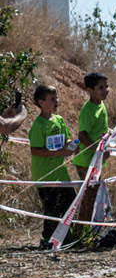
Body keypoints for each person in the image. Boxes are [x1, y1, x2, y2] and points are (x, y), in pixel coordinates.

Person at [28, 84, 75, 248]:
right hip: (45, 175)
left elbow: (66, 139)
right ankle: (47, 240)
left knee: (70, 202)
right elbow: (35, 150)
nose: (56, 101)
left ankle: (66, 237)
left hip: (61, 173)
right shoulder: (38, 125)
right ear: (41, 102)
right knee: (52, 209)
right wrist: (60, 152)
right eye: (52, 99)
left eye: (57, 98)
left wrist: (71, 146)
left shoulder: (59, 120)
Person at [73, 72, 111, 223]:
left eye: (106, 86)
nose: (105, 90)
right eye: (101, 87)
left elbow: (99, 129)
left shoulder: (101, 105)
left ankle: (91, 227)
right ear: (90, 90)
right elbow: (82, 136)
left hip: (96, 160)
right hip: (86, 161)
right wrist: (99, 150)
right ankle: (82, 229)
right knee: (88, 198)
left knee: (94, 196)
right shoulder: (88, 110)